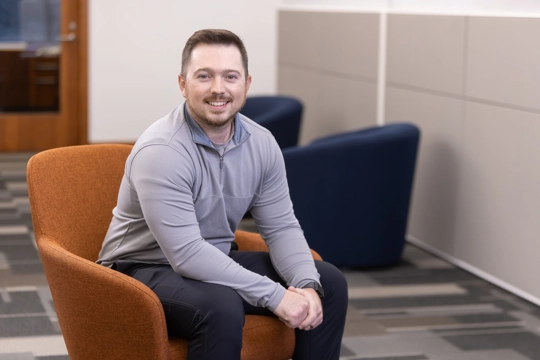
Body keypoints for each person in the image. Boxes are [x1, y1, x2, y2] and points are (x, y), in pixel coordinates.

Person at [97, 29, 348, 360]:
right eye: (204, 76)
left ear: (246, 83)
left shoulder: (262, 144)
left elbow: (282, 227)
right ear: (183, 84)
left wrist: (306, 286)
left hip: (215, 256)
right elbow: (186, 254)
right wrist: (276, 296)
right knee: (221, 307)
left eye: (231, 76)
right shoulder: (162, 150)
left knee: (327, 282)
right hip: (140, 268)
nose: (219, 88)